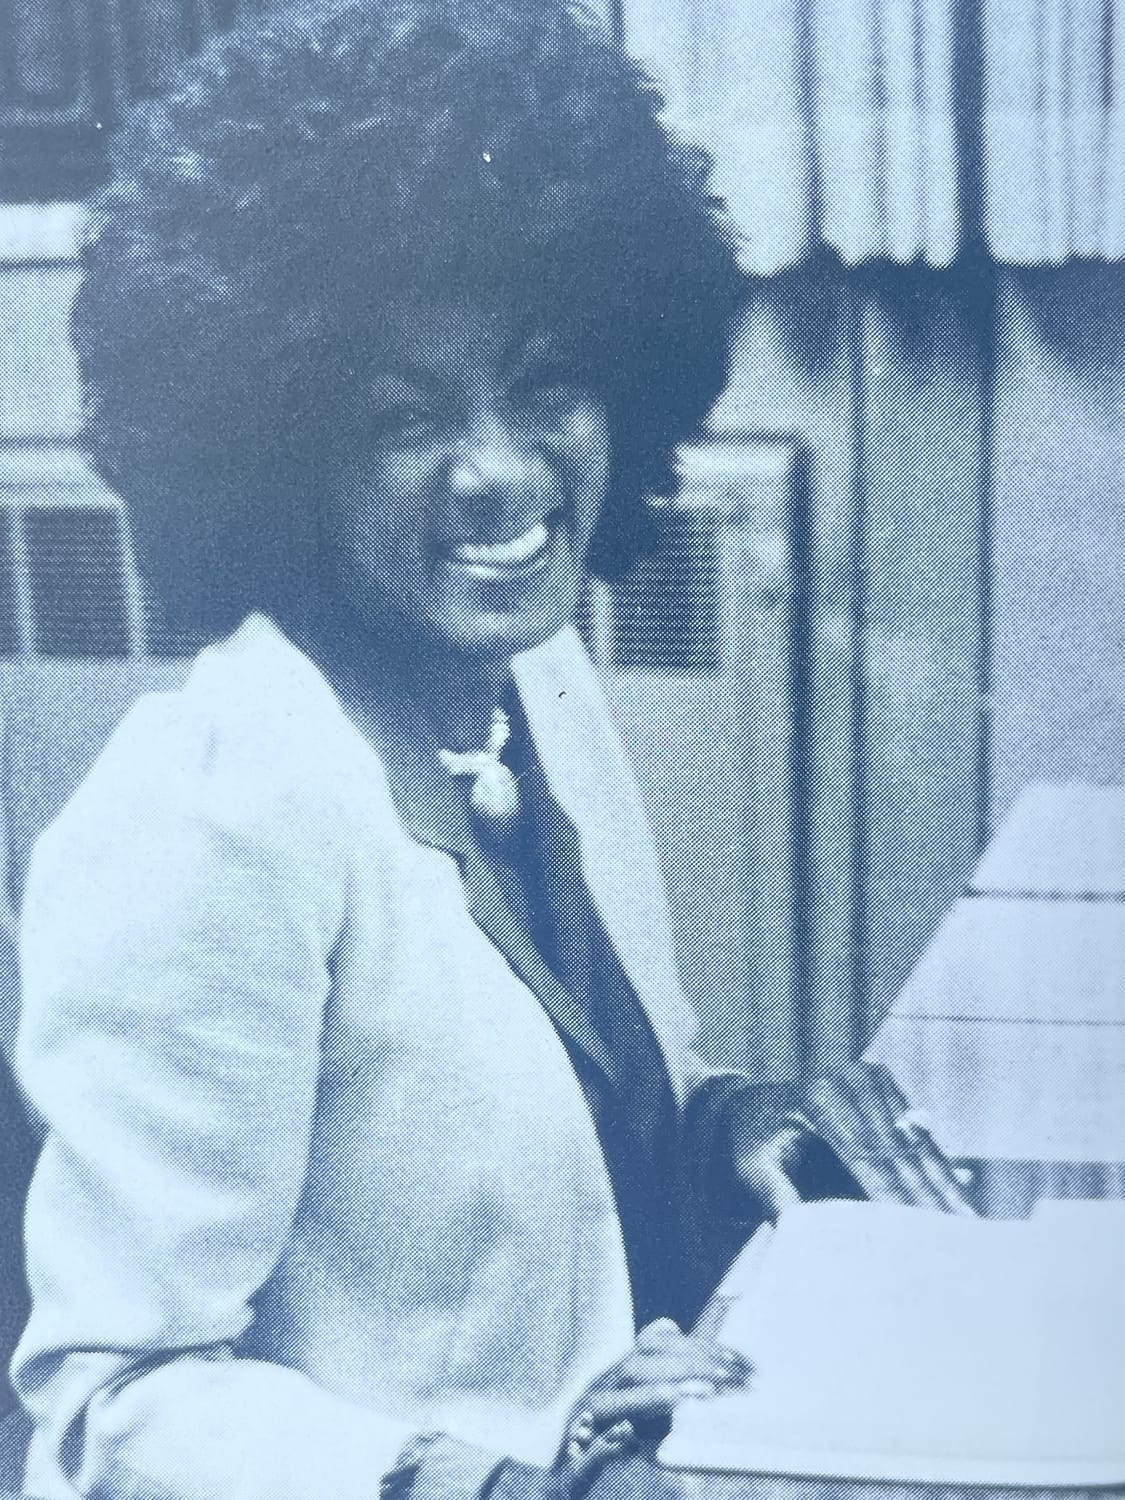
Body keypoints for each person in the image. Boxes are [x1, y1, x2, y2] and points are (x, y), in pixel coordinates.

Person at [10, 4, 969, 1499]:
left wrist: (738, 1135)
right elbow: (108, 1411)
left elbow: (576, 1141)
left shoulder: (535, 678)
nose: (501, 475)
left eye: (541, 386)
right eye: (402, 418)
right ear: (277, 450)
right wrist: (494, 1486)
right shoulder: (204, 816)